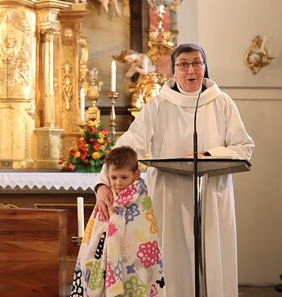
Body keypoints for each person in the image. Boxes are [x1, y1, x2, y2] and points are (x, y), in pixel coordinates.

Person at [94, 43, 255, 296]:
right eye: (183, 64)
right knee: (172, 261)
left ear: (204, 67)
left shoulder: (222, 103)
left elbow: (244, 147)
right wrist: (104, 182)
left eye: (196, 63)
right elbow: (128, 145)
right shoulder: (158, 105)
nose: (190, 69)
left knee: (211, 258)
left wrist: (208, 155)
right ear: (174, 71)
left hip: (211, 192)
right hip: (169, 195)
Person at [70, 146, 165, 297]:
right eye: (113, 178)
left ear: (136, 175)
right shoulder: (107, 198)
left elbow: (146, 236)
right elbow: (96, 231)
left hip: (133, 263)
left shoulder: (142, 201)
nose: (118, 183)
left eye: (124, 177)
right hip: (107, 261)